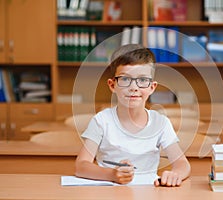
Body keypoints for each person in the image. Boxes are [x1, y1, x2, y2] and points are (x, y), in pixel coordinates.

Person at [75, 44, 191, 187]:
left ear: (152, 87)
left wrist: (175, 174)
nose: (134, 87)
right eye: (125, 79)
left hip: (149, 193)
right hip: (109, 193)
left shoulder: (160, 123)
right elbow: (81, 166)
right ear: (112, 85)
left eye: (142, 80)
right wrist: (111, 174)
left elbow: (182, 164)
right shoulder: (101, 121)